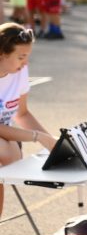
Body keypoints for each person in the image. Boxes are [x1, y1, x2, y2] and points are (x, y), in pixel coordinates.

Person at [0, 23, 58, 217]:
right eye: (21, 57)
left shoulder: (20, 72)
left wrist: (56, 146)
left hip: (7, 142)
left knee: (7, 152)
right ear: (2, 54)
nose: (25, 63)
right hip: (5, 143)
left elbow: (22, 113)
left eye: (28, 56)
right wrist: (37, 137)